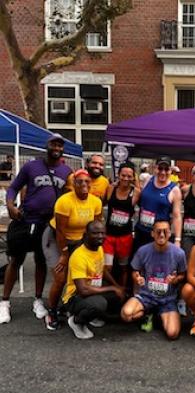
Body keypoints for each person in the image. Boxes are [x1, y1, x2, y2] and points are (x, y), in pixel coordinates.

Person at [0, 134, 72, 324]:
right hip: (25, 219)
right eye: (53, 144)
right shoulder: (32, 166)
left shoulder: (66, 171)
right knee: (16, 260)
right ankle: (5, 302)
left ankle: (38, 300)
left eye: (60, 145)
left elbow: (70, 195)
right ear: (47, 146)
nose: (57, 147)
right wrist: (10, 206)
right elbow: (13, 188)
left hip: (48, 224)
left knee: (41, 261)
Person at [43, 169, 103, 330]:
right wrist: (64, 254)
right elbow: (61, 231)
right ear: (73, 184)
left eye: (86, 182)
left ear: (91, 184)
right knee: (61, 277)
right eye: (79, 182)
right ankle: (52, 311)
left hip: (79, 240)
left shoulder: (96, 202)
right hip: (56, 238)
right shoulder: (64, 201)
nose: (83, 184)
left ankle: (75, 308)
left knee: (84, 275)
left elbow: (95, 228)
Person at [121, 220, 186, 340]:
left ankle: (157, 316)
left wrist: (175, 279)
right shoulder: (143, 251)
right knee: (126, 315)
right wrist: (137, 278)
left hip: (167, 299)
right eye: (158, 231)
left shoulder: (179, 253)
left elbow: (183, 275)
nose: (161, 235)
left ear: (170, 233)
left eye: (165, 232)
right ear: (152, 234)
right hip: (147, 296)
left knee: (172, 334)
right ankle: (147, 313)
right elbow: (135, 271)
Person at [63, 220, 125, 340]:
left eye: (102, 233)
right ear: (86, 235)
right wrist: (111, 288)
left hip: (93, 291)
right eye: (95, 233)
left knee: (120, 295)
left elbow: (102, 270)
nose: (100, 236)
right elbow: (83, 290)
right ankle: (76, 321)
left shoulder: (98, 248)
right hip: (75, 297)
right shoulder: (79, 256)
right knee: (99, 304)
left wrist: (117, 286)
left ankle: (92, 316)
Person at [133, 156, 182, 251]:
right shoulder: (148, 180)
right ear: (155, 168)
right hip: (141, 230)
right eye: (160, 168)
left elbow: (177, 216)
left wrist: (177, 239)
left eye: (166, 169)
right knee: (138, 262)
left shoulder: (174, 190)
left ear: (171, 170)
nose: (163, 172)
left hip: (159, 235)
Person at [103, 162, 140, 288]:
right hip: (109, 235)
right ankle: (109, 289)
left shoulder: (136, 193)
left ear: (133, 177)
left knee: (123, 267)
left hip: (125, 236)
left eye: (129, 176)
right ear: (118, 175)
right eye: (123, 175)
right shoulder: (110, 188)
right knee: (107, 266)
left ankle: (122, 291)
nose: (125, 178)